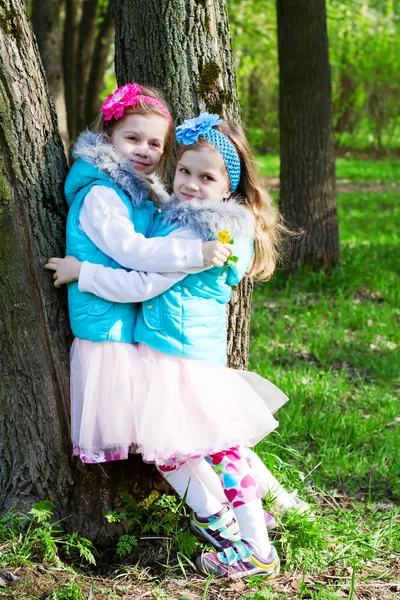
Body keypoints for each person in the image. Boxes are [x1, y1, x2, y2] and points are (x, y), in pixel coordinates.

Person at [47, 113, 291, 579]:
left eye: (207, 177)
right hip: (165, 352)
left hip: (185, 358)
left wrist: (86, 274)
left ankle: (257, 547)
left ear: (227, 189)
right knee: (167, 449)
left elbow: (144, 283)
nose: (191, 184)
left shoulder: (201, 233)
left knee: (221, 448)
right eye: (185, 171)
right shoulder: (183, 220)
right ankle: (226, 525)